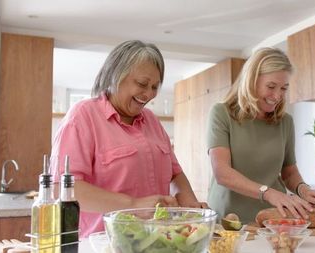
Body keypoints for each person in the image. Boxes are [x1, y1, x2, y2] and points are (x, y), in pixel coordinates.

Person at [51, 40, 207, 237]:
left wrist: (190, 204)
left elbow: (175, 174)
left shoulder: (152, 122)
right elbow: (64, 190)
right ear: (116, 75)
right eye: (142, 84)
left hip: (158, 240)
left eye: (154, 87)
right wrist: (133, 205)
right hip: (105, 243)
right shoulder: (82, 116)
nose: (149, 94)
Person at [206, 47, 315, 223]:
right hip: (229, 219)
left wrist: (303, 189)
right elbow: (222, 172)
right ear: (251, 80)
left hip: (273, 219)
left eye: (284, 88)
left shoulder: (285, 122)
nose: (277, 96)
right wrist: (267, 193)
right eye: (271, 86)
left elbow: (289, 172)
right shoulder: (221, 113)